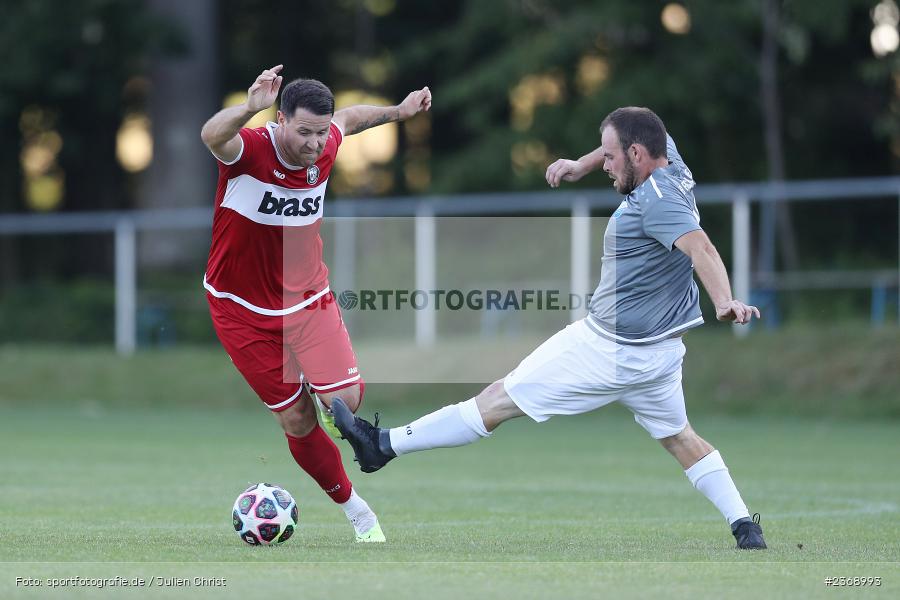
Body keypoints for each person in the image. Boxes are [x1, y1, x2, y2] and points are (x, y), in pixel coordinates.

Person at [332, 106, 767, 550]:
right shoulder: (670, 162)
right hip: (660, 355)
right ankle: (744, 527)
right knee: (680, 438)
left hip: (607, 348)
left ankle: (381, 445)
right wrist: (582, 163)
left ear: (637, 154)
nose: (606, 164)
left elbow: (702, 249)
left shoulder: (658, 198)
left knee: (494, 402)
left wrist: (724, 300)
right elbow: (638, 135)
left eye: (611, 157)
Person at [200, 64, 431, 543]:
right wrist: (247, 107)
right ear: (280, 119)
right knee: (296, 418)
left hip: (307, 299)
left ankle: (327, 400)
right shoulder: (250, 150)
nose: (314, 143)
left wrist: (399, 111)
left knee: (347, 402)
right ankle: (359, 513)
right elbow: (211, 135)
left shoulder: (325, 143)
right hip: (239, 309)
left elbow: (351, 118)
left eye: (320, 133)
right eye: (303, 131)